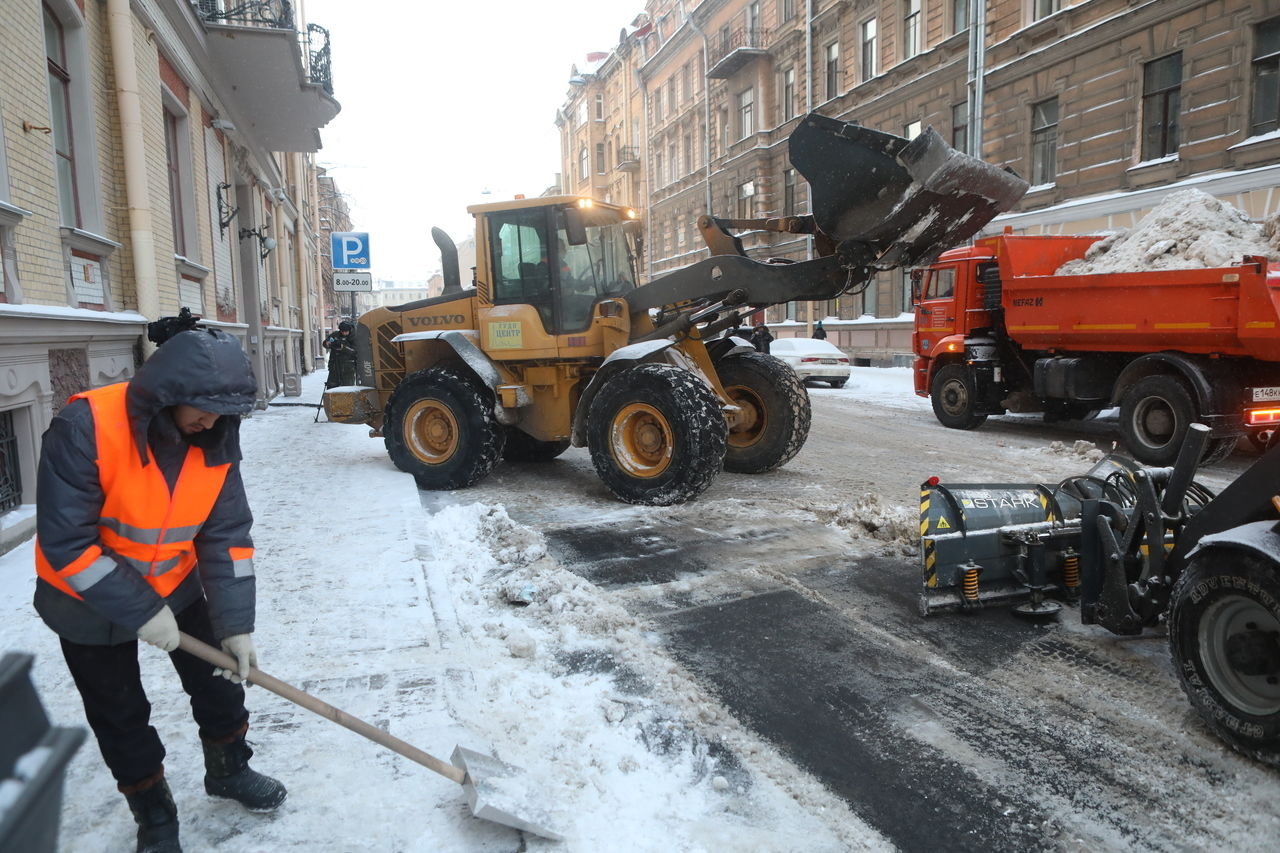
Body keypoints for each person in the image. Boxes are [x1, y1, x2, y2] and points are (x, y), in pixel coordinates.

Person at [33, 328, 285, 853]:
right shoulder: (85, 427)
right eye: (205, 407)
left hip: (172, 583)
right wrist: (140, 610)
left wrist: (235, 625)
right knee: (120, 712)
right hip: (82, 595)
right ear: (166, 392)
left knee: (219, 683)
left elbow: (228, 537)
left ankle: (229, 771)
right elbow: (67, 542)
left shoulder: (214, 438)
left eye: (225, 411)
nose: (212, 421)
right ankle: (153, 813)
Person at [323, 320, 356, 389]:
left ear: (349, 330)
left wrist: (343, 347)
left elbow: (355, 351)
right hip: (334, 366)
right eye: (342, 331)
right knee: (332, 388)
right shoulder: (335, 335)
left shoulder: (353, 337)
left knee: (347, 390)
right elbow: (325, 343)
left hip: (348, 368)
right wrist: (327, 343)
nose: (344, 333)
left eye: (346, 331)